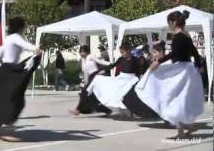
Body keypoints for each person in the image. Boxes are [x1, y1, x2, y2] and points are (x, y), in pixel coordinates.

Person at [128, 10, 204, 139]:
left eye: (169, 23)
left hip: (181, 71)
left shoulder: (179, 36)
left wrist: (159, 62)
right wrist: (198, 65)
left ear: (174, 22)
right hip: (187, 69)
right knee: (176, 100)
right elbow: (194, 52)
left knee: (170, 98)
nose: (169, 25)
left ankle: (185, 128)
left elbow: (174, 54)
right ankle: (185, 128)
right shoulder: (186, 35)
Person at [86, 43, 140, 117]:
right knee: (110, 86)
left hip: (131, 78)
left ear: (128, 51)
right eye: (121, 52)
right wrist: (103, 70)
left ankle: (130, 111)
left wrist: (137, 80)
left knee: (126, 92)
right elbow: (113, 65)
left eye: (123, 52)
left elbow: (139, 71)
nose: (122, 54)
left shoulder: (135, 60)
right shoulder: (121, 59)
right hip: (122, 77)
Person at [69, 45, 112, 116]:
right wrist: (85, 82)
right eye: (80, 52)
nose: (82, 53)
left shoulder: (91, 56)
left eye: (83, 52)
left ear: (87, 52)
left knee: (84, 92)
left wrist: (111, 64)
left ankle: (77, 110)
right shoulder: (83, 61)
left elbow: (100, 61)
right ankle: (106, 110)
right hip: (90, 78)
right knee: (91, 96)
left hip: (96, 76)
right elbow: (86, 73)